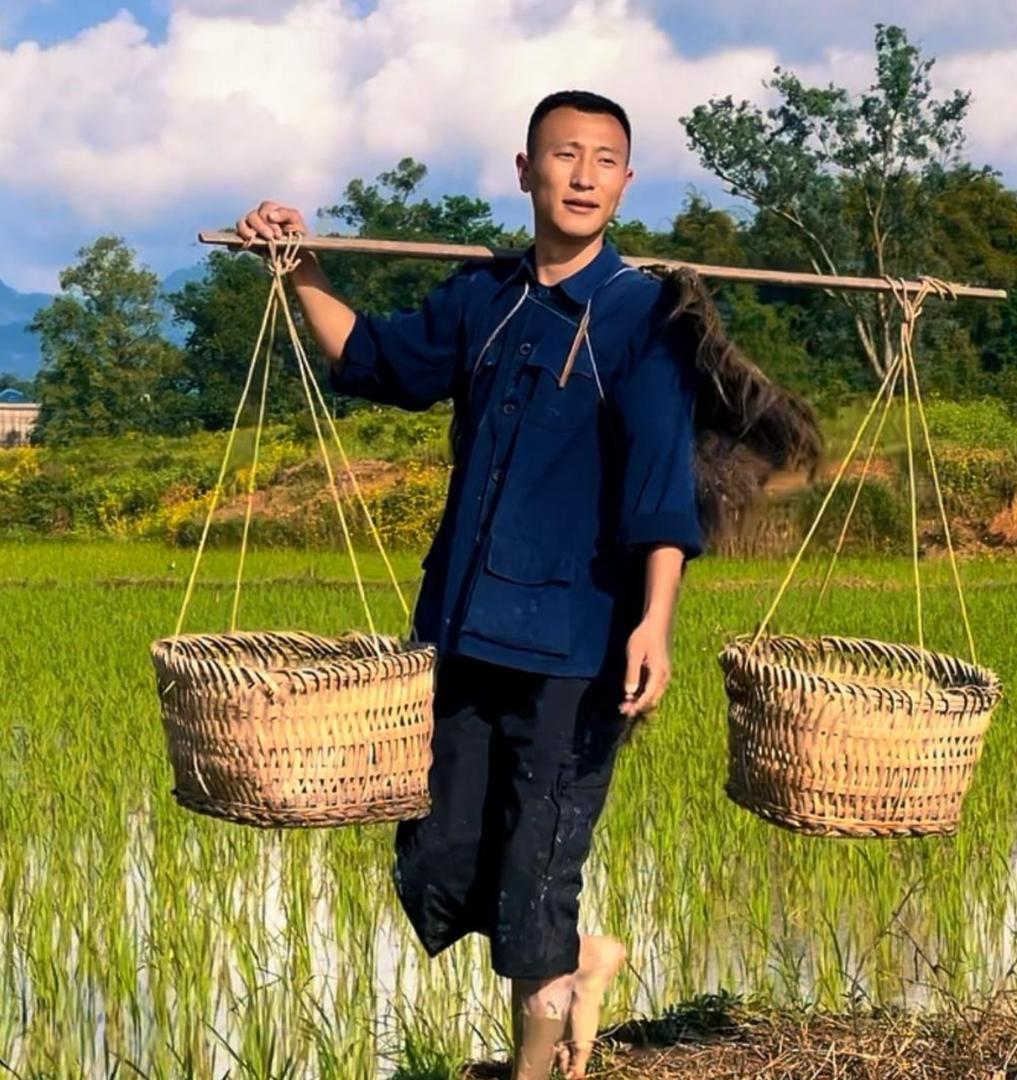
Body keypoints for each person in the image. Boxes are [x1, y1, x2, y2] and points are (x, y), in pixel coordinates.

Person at [237, 89, 705, 1080]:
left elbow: (664, 478)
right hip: (459, 628)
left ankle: (537, 1061)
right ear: (524, 170)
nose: (582, 174)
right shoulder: (480, 298)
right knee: (437, 866)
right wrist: (299, 267)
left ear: (626, 182)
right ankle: (582, 958)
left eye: (604, 159)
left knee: (537, 871)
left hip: (577, 646)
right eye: (564, 155)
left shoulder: (643, 315)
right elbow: (375, 360)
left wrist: (655, 622)